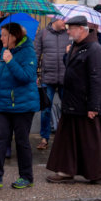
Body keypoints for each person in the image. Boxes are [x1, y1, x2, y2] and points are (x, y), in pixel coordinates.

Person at [46, 15, 101, 184]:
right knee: (67, 140)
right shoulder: (76, 46)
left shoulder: (95, 49)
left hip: (86, 104)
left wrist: (94, 106)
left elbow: (98, 79)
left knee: (92, 142)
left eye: (70, 28)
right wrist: (66, 56)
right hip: (71, 102)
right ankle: (65, 171)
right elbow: (72, 68)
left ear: (81, 29)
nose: (68, 31)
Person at [0, 23, 40, 189]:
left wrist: (11, 61)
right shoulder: (3, 51)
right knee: (0, 139)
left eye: (4, 35)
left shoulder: (28, 52)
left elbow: (27, 76)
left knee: (21, 141)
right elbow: (1, 77)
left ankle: (26, 177)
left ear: (13, 36)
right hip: (6, 104)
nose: (1, 38)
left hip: (23, 105)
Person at [34, 17, 71, 150]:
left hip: (65, 78)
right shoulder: (42, 34)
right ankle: (44, 138)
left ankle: (66, 136)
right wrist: (35, 75)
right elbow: (36, 55)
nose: (65, 23)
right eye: (64, 21)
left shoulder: (69, 35)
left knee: (67, 108)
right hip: (47, 78)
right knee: (45, 110)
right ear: (55, 20)